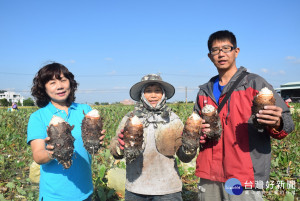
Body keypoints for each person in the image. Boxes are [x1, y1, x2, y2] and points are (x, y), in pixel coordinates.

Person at [180, 30, 295, 201]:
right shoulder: (204, 91)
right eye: (215, 50)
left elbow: (287, 123)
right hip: (209, 175)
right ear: (210, 56)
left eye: (226, 48)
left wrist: (277, 122)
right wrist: (198, 135)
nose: (221, 54)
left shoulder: (255, 83)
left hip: (243, 175)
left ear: (236, 51)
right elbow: (194, 131)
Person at [27, 62, 105, 201]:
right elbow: (38, 156)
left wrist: (96, 142)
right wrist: (52, 152)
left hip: (85, 192)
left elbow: (91, 148)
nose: (60, 86)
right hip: (54, 195)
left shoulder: (86, 111)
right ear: (44, 88)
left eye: (63, 80)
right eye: (52, 82)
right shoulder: (38, 117)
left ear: (70, 83)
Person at [110, 74, 188, 201]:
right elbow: (115, 150)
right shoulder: (130, 118)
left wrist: (190, 145)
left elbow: (184, 156)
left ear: (163, 94)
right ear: (142, 94)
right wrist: (119, 146)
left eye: (157, 91)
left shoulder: (172, 118)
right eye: (148, 91)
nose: (153, 95)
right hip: (136, 187)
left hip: (168, 189)